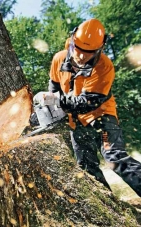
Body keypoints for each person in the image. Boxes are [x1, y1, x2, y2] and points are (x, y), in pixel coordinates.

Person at [47, 18, 141, 196]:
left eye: (89, 52)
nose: (82, 56)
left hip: (102, 117)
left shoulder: (104, 66)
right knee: (87, 169)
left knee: (114, 157)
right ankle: (111, 209)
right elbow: (54, 89)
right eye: (79, 50)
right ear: (73, 42)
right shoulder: (59, 59)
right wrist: (49, 107)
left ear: (99, 49)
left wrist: (57, 101)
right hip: (76, 123)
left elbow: (86, 103)